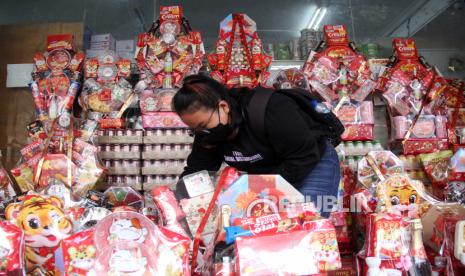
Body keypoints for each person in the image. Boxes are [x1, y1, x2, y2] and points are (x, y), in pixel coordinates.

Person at [173, 74, 341, 217]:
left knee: (305, 225)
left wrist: (263, 190)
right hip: (270, 175)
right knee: (265, 230)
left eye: (203, 125)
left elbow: (302, 156)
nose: (202, 133)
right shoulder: (208, 133)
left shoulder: (271, 109)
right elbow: (197, 171)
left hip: (311, 162)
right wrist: (177, 202)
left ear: (223, 107)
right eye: (195, 130)